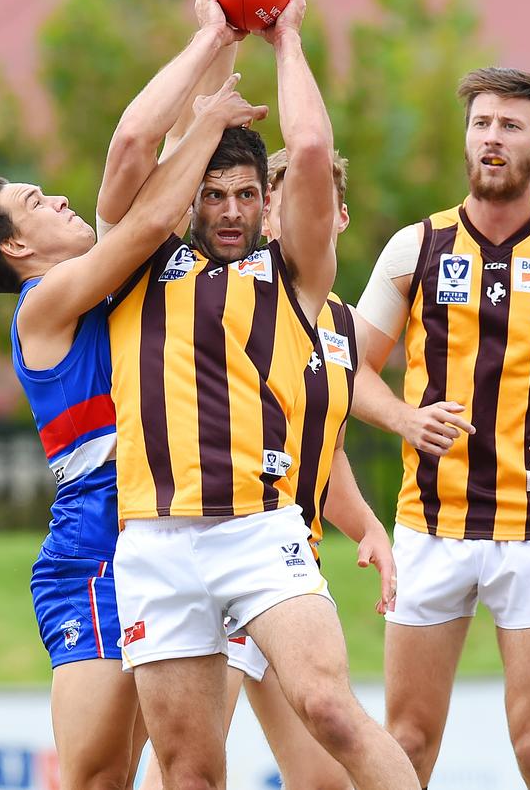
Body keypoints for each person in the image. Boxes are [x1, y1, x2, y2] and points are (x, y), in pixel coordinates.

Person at [108, 0, 419, 790]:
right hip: (155, 537)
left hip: (259, 528)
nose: (235, 211)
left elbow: (311, 147)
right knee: (190, 770)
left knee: (328, 709)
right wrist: (211, 33)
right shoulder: (140, 259)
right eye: (215, 195)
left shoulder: (295, 275)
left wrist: (287, 39)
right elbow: (138, 140)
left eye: (248, 194)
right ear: (189, 200)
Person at [0, 0, 266, 789]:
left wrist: (219, 41)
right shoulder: (45, 302)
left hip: (173, 515)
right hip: (96, 537)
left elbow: (145, 165)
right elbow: (155, 202)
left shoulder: (109, 280)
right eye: (36, 203)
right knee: (95, 775)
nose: (57, 198)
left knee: (172, 765)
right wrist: (208, 109)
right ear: (17, 249)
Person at [138, 149, 397, 790]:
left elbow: (324, 443)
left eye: (282, 198)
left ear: (336, 217)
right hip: (212, 537)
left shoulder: (336, 321)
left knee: (323, 772)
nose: (274, 212)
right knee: (190, 766)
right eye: (268, 198)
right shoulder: (232, 293)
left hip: (283, 553)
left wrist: (366, 524)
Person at [352, 66, 530, 790]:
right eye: (482, 124)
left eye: (511, 126)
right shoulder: (414, 248)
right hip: (430, 530)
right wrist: (406, 419)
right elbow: (344, 373)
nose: (493, 139)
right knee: (407, 742)